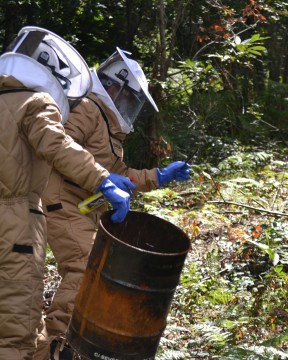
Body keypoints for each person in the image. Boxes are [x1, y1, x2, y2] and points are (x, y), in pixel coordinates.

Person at [35, 47, 191, 359]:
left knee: (93, 269)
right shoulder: (88, 109)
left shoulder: (108, 129)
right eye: (130, 99)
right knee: (84, 267)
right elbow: (61, 148)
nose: (129, 108)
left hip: (81, 207)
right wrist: (101, 180)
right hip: (60, 202)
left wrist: (158, 177)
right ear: (114, 87)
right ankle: (55, 345)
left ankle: (68, 342)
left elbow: (118, 175)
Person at [0, 26, 132, 360]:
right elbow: (57, 144)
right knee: (14, 335)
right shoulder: (34, 103)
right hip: (14, 227)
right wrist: (102, 180)